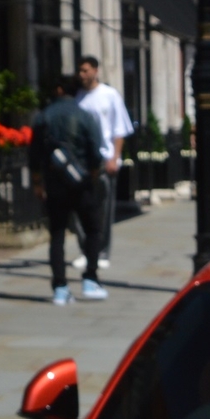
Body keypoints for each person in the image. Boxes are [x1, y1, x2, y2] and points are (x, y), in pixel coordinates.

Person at [32, 72, 107, 304]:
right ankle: (90, 279)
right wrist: (92, 175)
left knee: (57, 234)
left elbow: (34, 153)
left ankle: (61, 287)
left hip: (54, 184)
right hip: (82, 183)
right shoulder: (84, 115)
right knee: (93, 230)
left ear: (59, 90)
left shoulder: (43, 117)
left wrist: (37, 182)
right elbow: (96, 152)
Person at [74, 54, 134, 271]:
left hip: (103, 159)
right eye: (80, 71)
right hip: (81, 162)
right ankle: (85, 249)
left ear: (96, 71)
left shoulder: (109, 95)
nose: (82, 75)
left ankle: (102, 251)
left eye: (86, 70)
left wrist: (115, 157)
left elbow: (119, 129)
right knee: (80, 208)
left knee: (104, 208)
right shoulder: (77, 98)